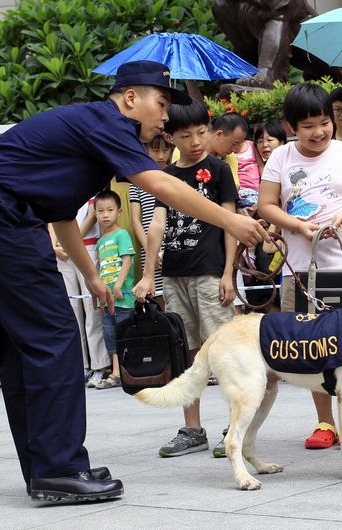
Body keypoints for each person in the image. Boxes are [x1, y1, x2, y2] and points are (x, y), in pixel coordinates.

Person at [0, 59, 266, 502]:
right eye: (161, 104)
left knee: (27, 345)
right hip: (0, 218)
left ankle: (46, 467)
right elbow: (158, 183)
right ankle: (59, 468)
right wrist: (229, 222)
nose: (165, 117)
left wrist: (91, 275)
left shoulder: (91, 139)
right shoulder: (106, 120)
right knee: (54, 336)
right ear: (130, 98)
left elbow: (61, 215)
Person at [257, 82, 342, 450]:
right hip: (299, 270)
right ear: (290, 127)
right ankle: (325, 423)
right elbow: (266, 205)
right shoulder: (281, 158)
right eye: (308, 126)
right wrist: (296, 225)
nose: (319, 132)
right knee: (309, 344)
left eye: (324, 122)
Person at [134, 99, 238, 456]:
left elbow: (230, 223)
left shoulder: (220, 169)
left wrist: (228, 273)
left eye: (201, 132)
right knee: (186, 352)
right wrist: (149, 276)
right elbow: (156, 226)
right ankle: (192, 430)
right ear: (170, 136)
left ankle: (234, 428)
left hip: (211, 273)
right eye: (186, 135)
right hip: (175, 276)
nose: (195, 141)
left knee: (224, 352)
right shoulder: (166, 177)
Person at [51, 199, 110, 387]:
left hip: (86, 245)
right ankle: (79, 365)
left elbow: (93, 213)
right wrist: (55, 244)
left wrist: (70, 242)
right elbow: (48, 213)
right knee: (70, 309)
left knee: (91, 308)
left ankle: (99, 365)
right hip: (60, 250)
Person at [91, 190, 136, 390]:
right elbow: (100, 270)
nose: (105, 215)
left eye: (109, 210)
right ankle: (118, 373)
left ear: (119, 211)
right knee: (111, 338)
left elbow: (127, 260)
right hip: (106, 301)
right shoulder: (100, 241)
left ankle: (128, 372)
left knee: (125, 334)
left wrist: (118, 284)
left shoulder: (122, 234)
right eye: (100, 211)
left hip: (123, 298)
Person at [129, 134, 174, 309]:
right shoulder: (137, 178)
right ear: (146, 150)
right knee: (158, 298)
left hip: (173, 242)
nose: (161, 155)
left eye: (165, 150)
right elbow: (135, 220)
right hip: (149, 245)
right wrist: (151, 251)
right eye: (156, 150)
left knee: (177, 294)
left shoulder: (174, 174)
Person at [207, 112, 248, 189]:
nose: (235, 150)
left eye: (239, 144)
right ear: (219, 134)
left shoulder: (230, 156)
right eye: (234, 144)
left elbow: (234, 187)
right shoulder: (188, 150)